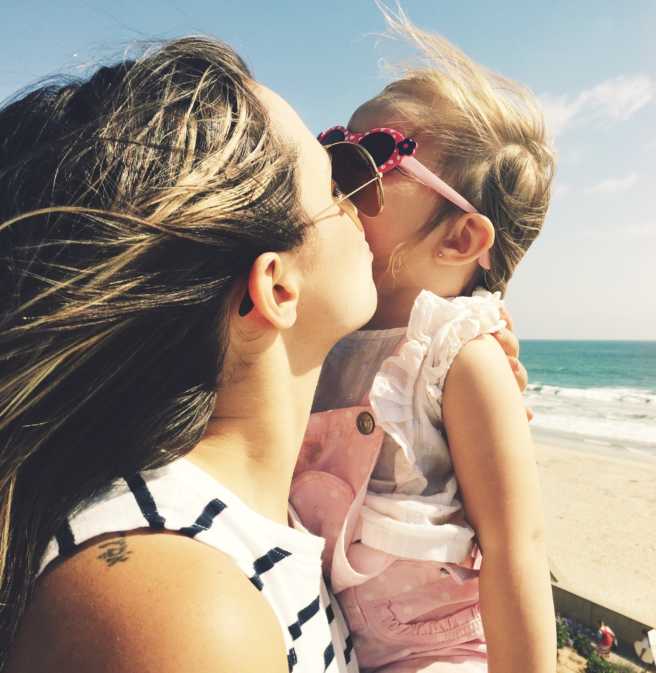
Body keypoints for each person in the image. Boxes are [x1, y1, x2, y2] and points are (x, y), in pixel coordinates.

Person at [0, 36, 526, 672]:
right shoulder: (183, 613)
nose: (358, 204)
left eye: (367, 167)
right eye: (331, 179)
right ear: (276, 288)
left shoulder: (276, 526)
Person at [290, 11, 556, 673]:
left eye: (372, 160)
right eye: (332, 152)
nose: (336, 185)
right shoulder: (323, 319)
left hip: (437, 651)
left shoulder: (457, 357)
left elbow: (515, 545)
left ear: (460, 238)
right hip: (335, 632)